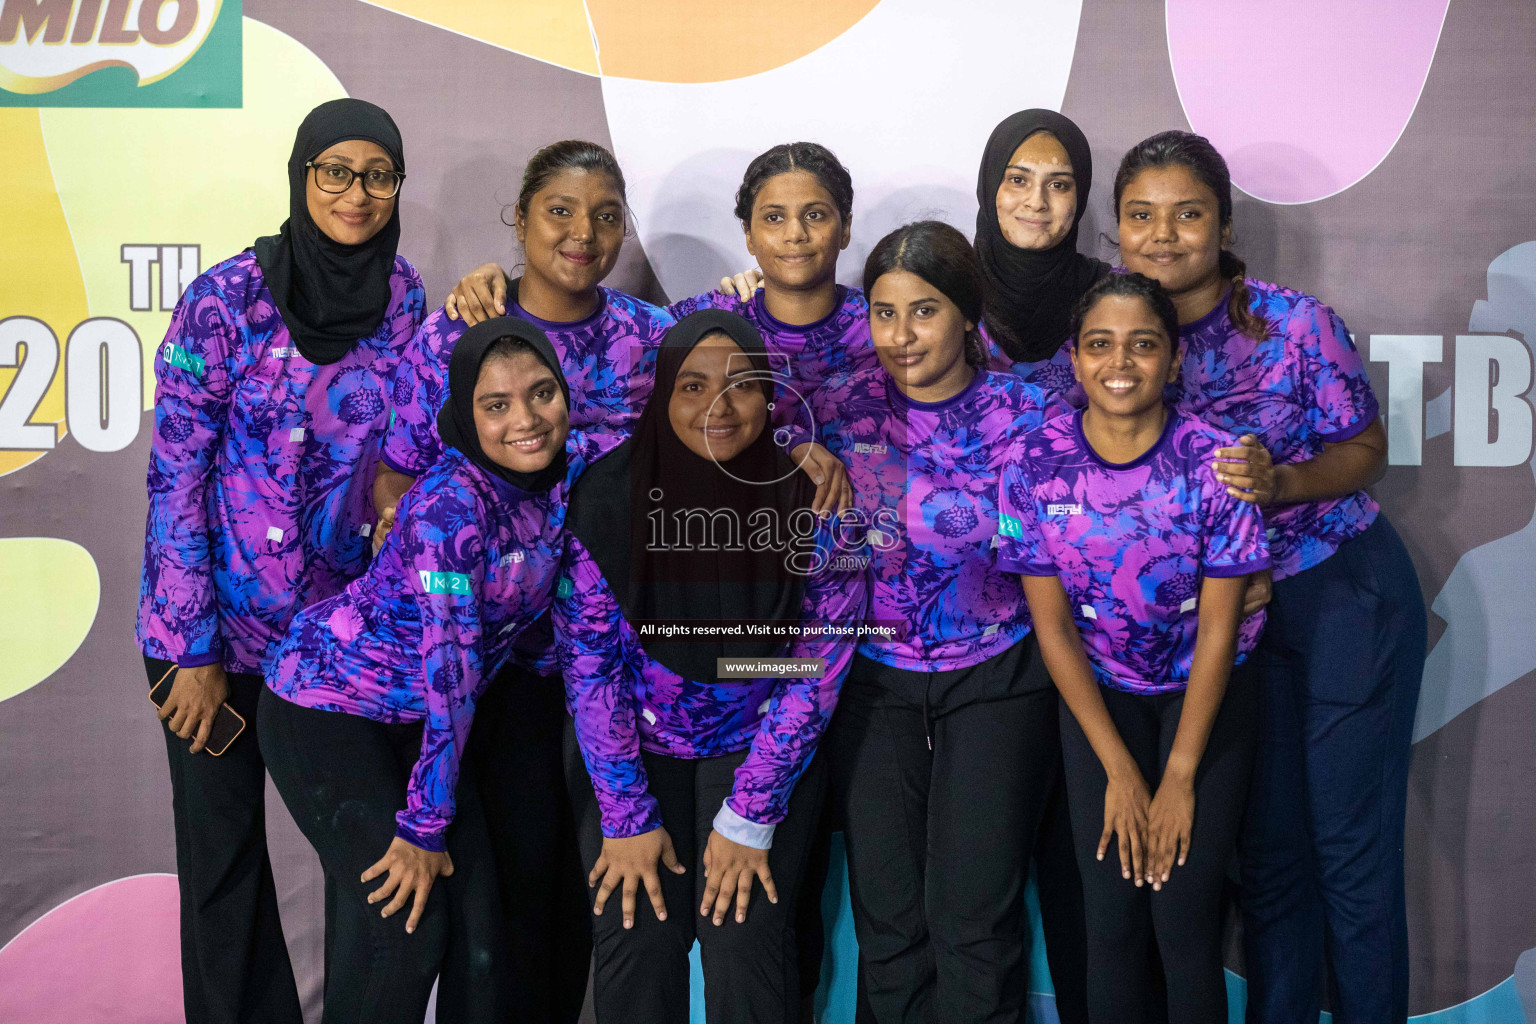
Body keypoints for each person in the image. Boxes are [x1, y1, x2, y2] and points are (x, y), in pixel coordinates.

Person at [1112, 129, 1427, 1023]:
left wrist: (1281, 483)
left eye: (1187, 213)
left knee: (1348, 852)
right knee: (1273, 854)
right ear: (1118, 231)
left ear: (1223, 222)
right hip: (1228, 625)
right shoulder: (1116, 335)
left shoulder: (1293, 323)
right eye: (1142, 215)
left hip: (1338, 597)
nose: (1164, 234)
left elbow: (1365, 448)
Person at [136, 97, 423, 1024]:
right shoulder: (224, 300)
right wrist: (192, 648)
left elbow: (408, 452)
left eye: (377, 174)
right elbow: (176, 477)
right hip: (210, 634)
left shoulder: (405, 296)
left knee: (359, 861)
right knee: (222, 862)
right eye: (334, 170)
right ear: (302, 177)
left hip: (340, 645)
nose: (356, 192)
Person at [376, 139, 672, 1021]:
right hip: (488, 668)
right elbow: (395, 474)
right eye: (560, 211)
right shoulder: (461, 329)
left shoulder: (649, 339)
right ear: (520, 215)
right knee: (499, 903)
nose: (583, 233)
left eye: (606, 215)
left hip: (613, 665)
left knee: (583, 898)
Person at [260, 318, 616, 1023]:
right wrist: (424, 828)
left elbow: (685, 432)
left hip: (419, 721)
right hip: (328, 711)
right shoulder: (448, 510)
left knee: (485, 945)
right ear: (465, 411)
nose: (526, 420)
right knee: (403, 930)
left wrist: (803, 452)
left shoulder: (576, 468)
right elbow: (451, 678)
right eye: (497, 405)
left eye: (542, 393)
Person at [557, 309, 867, 1023]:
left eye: (741, 386)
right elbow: (591, 669)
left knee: (747, 946)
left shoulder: (821, 509)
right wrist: (628, 817)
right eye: (692, 386)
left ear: (771, 397)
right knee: (637, 942)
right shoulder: (605, 498)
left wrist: (752, 815)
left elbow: (815, 671)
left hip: (760, 752)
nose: (718, 408)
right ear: (663, 394)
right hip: (631, 757)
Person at [810, 220, 1057, 1022]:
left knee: (974, 921)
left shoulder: (1029, 415)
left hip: (999, 678)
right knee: (888, 923)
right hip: (873, 685)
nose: (901, 334)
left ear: (965, 314)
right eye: (883, 312)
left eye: (924, 311)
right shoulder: (836, 412)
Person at [1004, 272, 1269, 1023]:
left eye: (1144, 344)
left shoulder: (1217, 464)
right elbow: (1051, 627)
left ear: (1174, 359)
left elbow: (1220, 627)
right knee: (1112, 923)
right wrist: (1118, 769)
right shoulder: (1033, 464)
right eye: (1100, 345)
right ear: (1077, 361)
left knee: (1184, 923)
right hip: (1100, 709)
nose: (1122, 362)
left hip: (1205, 709)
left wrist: (1180, 775)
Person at [450, 141, 867, 516]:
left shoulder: (885, 329)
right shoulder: (699, 323)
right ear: (749, 234)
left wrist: (787, 438)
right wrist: (492, 275)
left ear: (845, 226)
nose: (795, 234)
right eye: (774, 217)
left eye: (814, 215)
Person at [973, 108, 1111, 412]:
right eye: (1018, 180)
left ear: (1080, 194)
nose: (1036, 202)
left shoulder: (1114, 298)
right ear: (990, 183)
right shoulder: (946, 292)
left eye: (1058, 184)